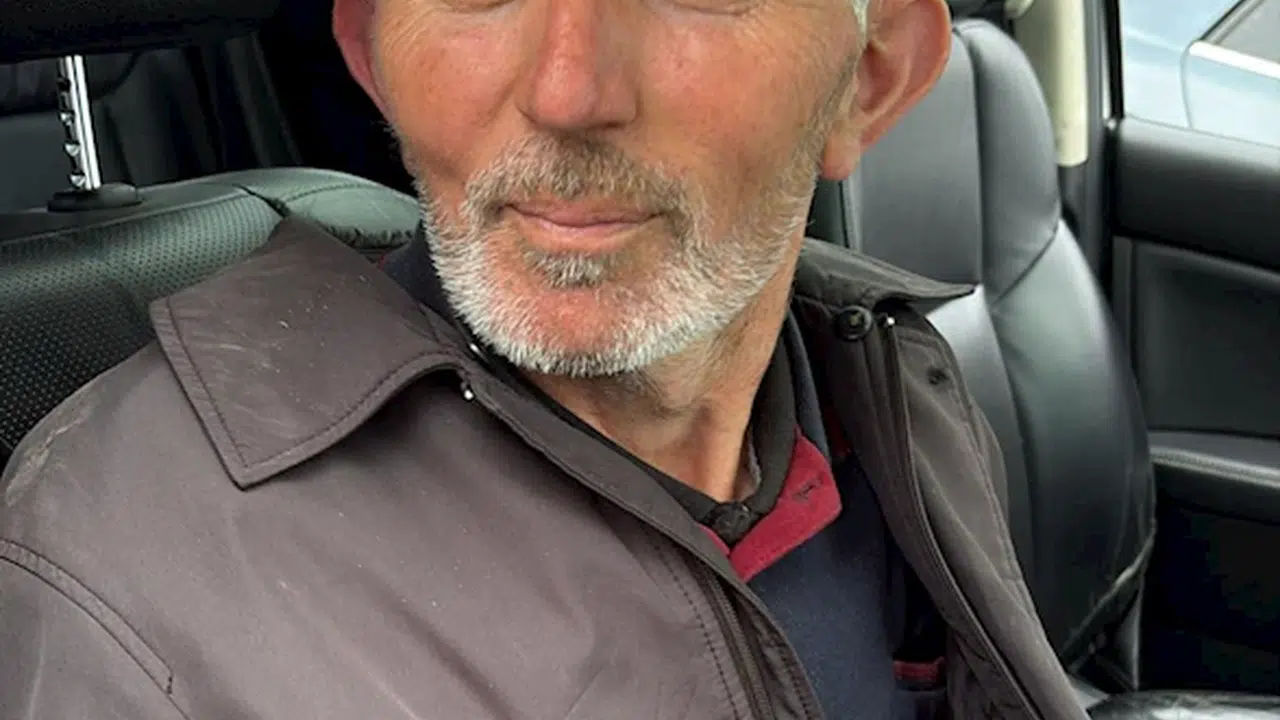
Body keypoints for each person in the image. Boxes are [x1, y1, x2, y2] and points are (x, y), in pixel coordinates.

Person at [0, 0, 1086, 717]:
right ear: (373, 56)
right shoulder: (121, 567)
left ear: (871, 75)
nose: (568, 93)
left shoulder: (896, 389)